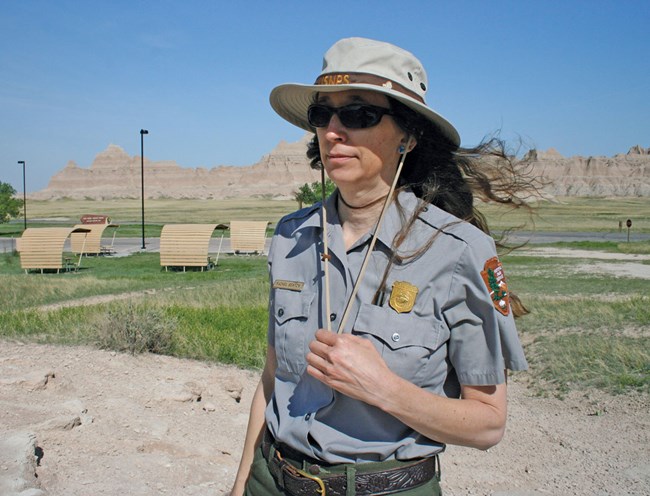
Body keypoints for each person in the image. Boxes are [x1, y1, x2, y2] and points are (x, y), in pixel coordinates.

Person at [231, 37, 533, 496]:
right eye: (322, 114)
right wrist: (241, 487)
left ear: (408, 136)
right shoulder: (291, 237)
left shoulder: (458, 252)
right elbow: (273, 381)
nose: (333, 130)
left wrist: (385, 389)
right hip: (271, 479)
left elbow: (488, 424)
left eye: (358, 114)